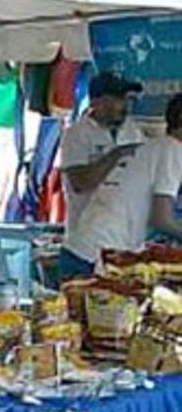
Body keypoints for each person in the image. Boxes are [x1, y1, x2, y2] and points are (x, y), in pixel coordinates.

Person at [64, 93, 182, 272]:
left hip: (85, 248)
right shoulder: (172, 150)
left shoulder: (150, 147)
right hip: (98, 255)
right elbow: (161, 219)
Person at [59, 71, 145, 279]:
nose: (124, 105)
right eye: (116, 99)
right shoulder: (77, 134)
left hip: (125, 249)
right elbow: (80, 182)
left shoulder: (133, 132)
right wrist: (116, 154)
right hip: (85, 248)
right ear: (96, 102)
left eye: (126, 99)